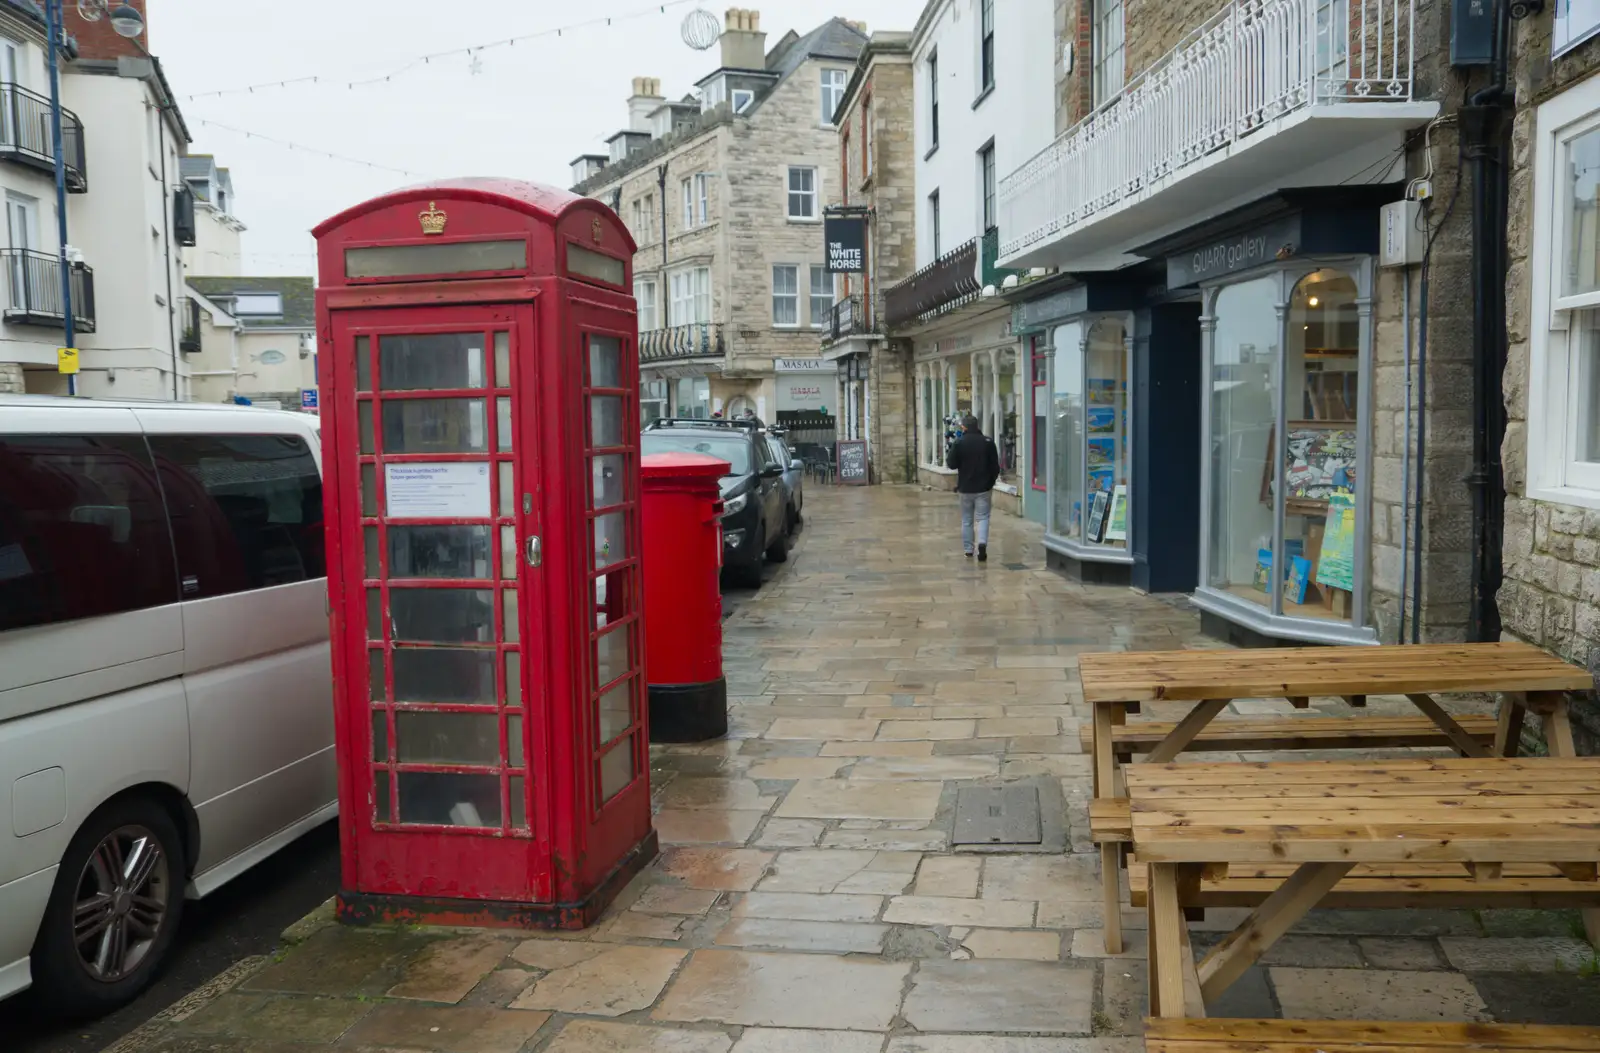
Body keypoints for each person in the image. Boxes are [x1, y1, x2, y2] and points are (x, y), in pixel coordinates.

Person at [947, 414, 1000, 562]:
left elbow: (951, 464)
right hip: (983, 487)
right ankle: (982, 543)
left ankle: (968, 550)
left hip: (965, 487)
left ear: (964, 427)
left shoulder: (959, 442)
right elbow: (995, 467)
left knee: (967, 520)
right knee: (983, 517)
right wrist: (991, 482)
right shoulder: (988, 442)